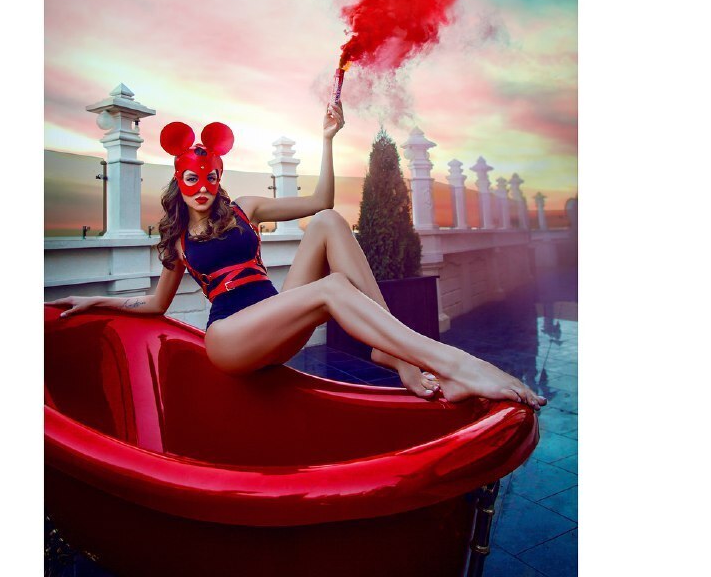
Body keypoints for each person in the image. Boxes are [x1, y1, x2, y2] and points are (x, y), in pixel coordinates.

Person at [54, 102, 545, 409]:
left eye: (210, 178)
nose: (202, 188)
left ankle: (394, 351)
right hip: (231, 339)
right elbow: (154, 305)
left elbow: (321, 201)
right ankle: (457, 365)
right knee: (332, 288)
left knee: (329, 222)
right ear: (178, 181)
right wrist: (95, 300)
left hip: (278, 317)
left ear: (219, 177)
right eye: (191, 179)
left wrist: (327, 139)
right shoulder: (177, 241)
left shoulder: (245, 209)